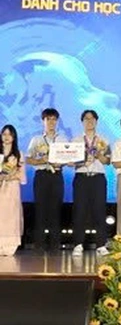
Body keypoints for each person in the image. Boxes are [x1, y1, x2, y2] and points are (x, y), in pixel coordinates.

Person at [71, 110, 111, 257]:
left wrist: (99, 155)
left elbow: (108, 161)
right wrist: (83, 161)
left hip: (98, 177)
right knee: (80, 211)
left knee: (99, 211)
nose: (89, 121)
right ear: (82, 122)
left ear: (96, 121)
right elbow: (70, 162)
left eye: (92, 118)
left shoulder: (103, 140)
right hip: (81, 177)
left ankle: (101, 245)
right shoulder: (76, 140)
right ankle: (78, 244)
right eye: (86, 119)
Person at [26, 108, 67, 250]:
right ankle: (39, 244)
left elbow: (68, 158)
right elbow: (28, 159)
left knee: (56, 209)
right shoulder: (36, 139)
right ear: (43, 121)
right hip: (41, 175)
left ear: (57, 121)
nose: (51, 122)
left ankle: (55, 244)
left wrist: (61, 162)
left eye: (54, 119)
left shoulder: (62, 139)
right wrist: (40, 160)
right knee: (40, 209)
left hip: (57, 175)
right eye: (48, 119)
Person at [0, 125, 26, 255]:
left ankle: (9, 245)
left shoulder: (18, 154)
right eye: (4, 134)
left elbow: (22, 176)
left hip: (12, 188)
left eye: (9, 134)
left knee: (11, 216)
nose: (6, 137)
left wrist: (10, 176)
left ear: (14, 137)